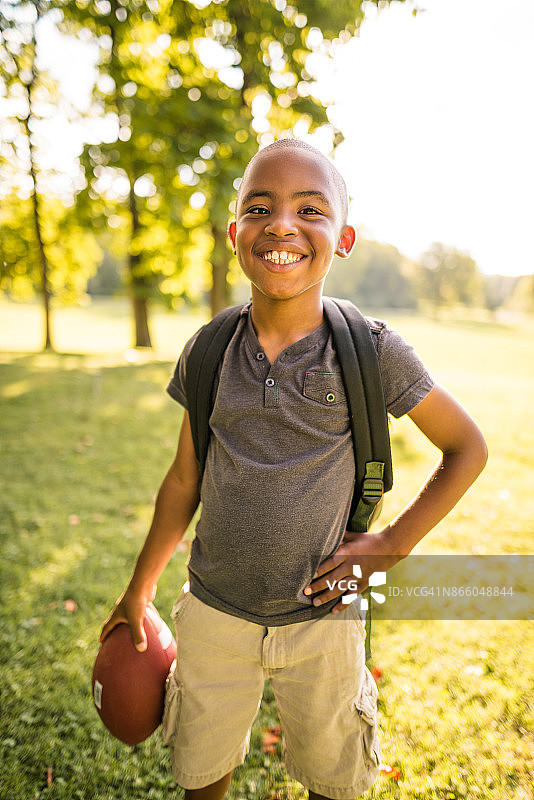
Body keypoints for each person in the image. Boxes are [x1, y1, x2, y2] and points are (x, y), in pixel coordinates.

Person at [100, 139, 488, 800]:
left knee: (333, 781)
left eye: (310, 209)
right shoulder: (209, 350)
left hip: (324, 621)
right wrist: (140, 588)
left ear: (342, 238)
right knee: (201, 771)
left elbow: (467, 449)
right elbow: (182, 482)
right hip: (215, 614)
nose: (282, 223)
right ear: (235, 233)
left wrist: (394, 543)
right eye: (261, 207)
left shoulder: (372, 351)